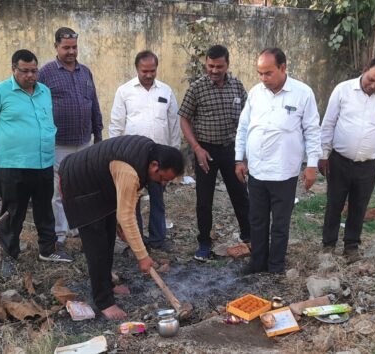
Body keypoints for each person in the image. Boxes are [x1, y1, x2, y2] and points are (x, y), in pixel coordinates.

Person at [57, 135, 184, 319]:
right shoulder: (129, 170)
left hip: (100, 185)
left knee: (108, 235)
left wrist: (120, 225)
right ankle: (104, 301)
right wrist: (143, 256)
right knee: (97, 244)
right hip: (78, 183)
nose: (162, 183)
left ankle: (107, 284)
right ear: (155, 165)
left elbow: (128, 201)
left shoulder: (147, 156)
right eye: (163, 178)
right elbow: (127, 216)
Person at [0, 49, 71, 278]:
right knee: (13, 213)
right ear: (14, 69)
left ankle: (47, 250)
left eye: (34, 71)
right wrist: (8, 144)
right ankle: (9, 256)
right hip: (13, 165)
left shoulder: (44, 92)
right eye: (25, 71)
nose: (31, 76)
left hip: (43, 162)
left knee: (44, 210)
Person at [235, 48, 322, 274]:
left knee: (280, 224)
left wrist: (312, 165)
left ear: (283, 68)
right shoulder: (255, 92)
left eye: (268, 73)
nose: (263, 79)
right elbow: (244, 127)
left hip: (285, 171)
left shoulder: (303, 93)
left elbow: (313, 130)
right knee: (257, 219)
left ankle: (275, 266)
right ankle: (257, 262)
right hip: (256, 170)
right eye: (260, 73)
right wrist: (238, 159)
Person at [319, 56, 375, 261]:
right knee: (334, 204)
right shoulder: (342, 90)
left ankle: (351, 247)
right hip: (339, 161)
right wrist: (324, 155)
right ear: (364, 70)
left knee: (359, 206)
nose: (374, 85)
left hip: (367, 165)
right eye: (371, 79)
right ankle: (328, 245)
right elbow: (328, 124)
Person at [179, 44, 251, 262]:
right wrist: (197, 148)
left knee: (240, 194)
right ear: (206, 65)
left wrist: (244, 154)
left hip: (231, 149)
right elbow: (183, 118)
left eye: (219, 66)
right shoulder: (197, 88)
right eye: (210, 66)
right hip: (205, 151)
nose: (214, 70)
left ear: (227, 65)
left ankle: (248, 237)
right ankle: (204, 243)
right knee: (204, 200)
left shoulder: (237, 86)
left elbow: (248, 117)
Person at [109, 50, 181, 251]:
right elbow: (116, 125)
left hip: (160, 159)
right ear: (137, 69)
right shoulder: (124, 91)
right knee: (133, 203)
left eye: (152, 70)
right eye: (144, 71)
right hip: (132, 159)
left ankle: (158, 239)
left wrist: (173, 155)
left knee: (158, 200)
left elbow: (174, 124)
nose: (149, 75)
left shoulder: (166, 91)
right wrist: (115, 157)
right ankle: (136, 240)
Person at [39, 27, 104, 248]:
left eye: (74, 47)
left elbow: (93, 103)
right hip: (59, 143)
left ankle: (78, 225)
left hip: (84, 140)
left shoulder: (85, 72)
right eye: (66, 47)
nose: (71, 51)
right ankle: (60, 232)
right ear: (56, 46)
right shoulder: (46, 73)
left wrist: (98, 134)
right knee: (60, 190)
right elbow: (39, 106)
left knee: (82, 187)